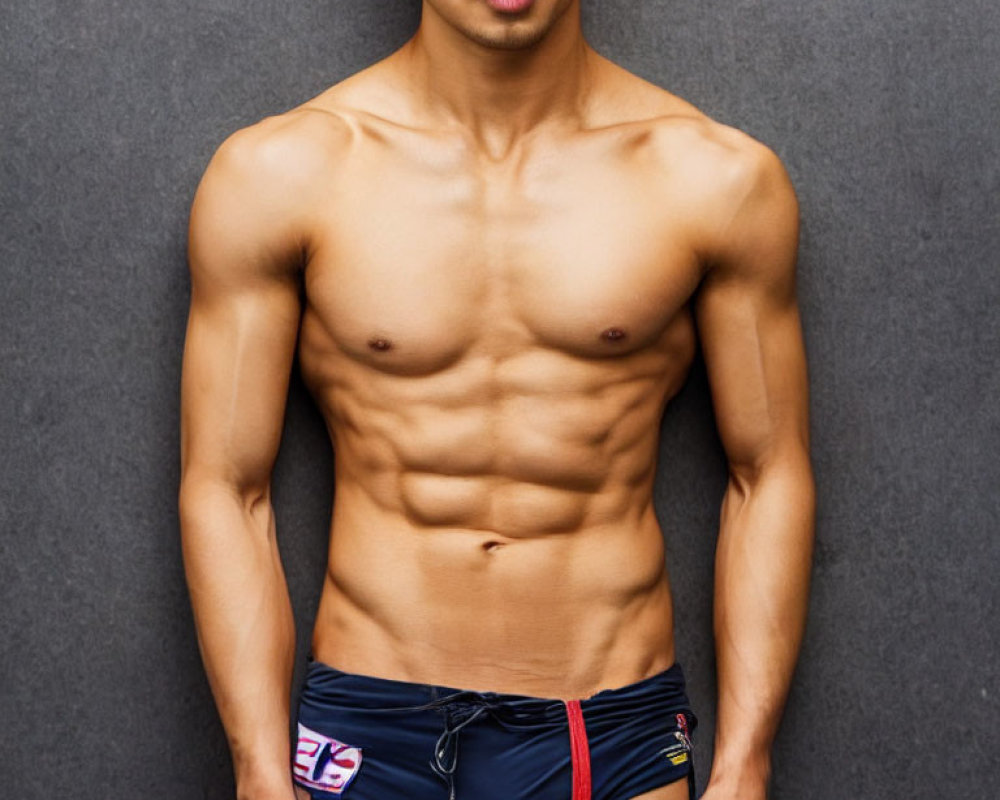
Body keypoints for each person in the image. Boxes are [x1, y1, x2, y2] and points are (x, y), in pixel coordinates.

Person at [178, 1, 815, 799]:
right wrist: (258, 769)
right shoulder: (283, 174)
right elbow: (227, 487)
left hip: (612, 731)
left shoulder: (712, 179)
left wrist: (745, 762)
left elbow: (769, 471)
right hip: (372, 727)